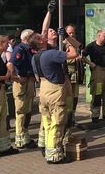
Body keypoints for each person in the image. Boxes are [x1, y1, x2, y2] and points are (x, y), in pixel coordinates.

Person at [30, 33, 77, 164]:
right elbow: (74, 54)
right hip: (54, 89)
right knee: (57, 123)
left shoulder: (35, 58)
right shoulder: (50, 54)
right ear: (39, 41)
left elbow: (36, 76)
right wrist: (69, 43)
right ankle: (55, 156)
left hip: (43, 88)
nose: (44, 35)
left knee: (47, 122)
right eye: (41, 36)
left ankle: (48, 149)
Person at [10, 29, 37, 149]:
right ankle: (19, 138)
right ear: (26, 38)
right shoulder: (19, 49)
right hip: (22, 83)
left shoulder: (29, 49)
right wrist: (15, 77)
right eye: (33, 36)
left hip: (29, 81)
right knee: (21, 111)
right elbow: (11, 63)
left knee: (28, 110)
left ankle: (25, 136)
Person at [83, 29, 105, 124]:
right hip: (98, 70)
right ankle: (95, 116)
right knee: (97, 93)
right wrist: (90, 63)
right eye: (104, 36)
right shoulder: (91, 46)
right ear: (98, 36)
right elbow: (83, 56)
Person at [63, 24, 83, 130]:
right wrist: (74, 58)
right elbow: (63, 58)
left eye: (73, 33)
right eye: (69, 33)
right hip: (68, 74)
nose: (71, 34)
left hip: (76, 73)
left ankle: (73, 118)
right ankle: (67, 120)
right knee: (68, 98)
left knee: (75, 98)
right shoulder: (63, 43)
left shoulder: (75, 43)